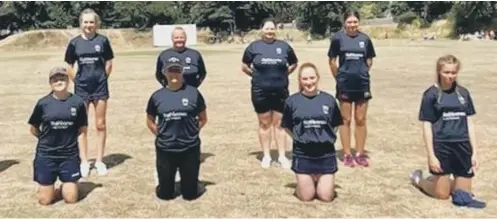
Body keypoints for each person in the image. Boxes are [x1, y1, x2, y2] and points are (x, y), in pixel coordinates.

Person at [410, 55, 486, 208]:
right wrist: (431, 156)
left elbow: (469, 121)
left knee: (462, 195)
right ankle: (419, 179)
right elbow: (427, 125)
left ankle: (440, 179)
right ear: (439, 72)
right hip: (442, 146)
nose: (450, 76)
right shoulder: (431, 94)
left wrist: (475, 153)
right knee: (442, 195)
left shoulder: (463, 93)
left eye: (453, 73)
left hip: (462, 146)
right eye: (446, 72)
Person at [146, 56, 208, 201]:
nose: (174, 74)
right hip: (166, 148)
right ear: (164, 73)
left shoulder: (193, 93)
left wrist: (192, 132)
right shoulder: (157, 96)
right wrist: (160, 134)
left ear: (182, 72)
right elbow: (150, 120)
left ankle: (191, 182)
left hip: (189, 148)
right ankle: (162, 181)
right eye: (170, 70)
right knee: (165, 195)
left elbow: (203, 118)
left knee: (190, 196)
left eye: (177, 70)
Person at [241, 18, 298, 169]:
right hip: (260, 91)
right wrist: (255, 75)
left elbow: (294, 63)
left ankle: (282, 156)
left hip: (280, 91)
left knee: (280, 124)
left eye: (272, 29)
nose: (270, 31)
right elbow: (244, 65)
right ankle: (266, 155)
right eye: (267, 29)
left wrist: (285, 73)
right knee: (264, 123)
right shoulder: (254, 47)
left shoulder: (284, 46)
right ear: (262, 30)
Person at [281, 62, 343, 202]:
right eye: (305, 79)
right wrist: (298, 138)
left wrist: (326, 136)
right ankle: (304, 183)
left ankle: (320, 181)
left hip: (325, 154)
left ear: (317, 78)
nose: (309, 82)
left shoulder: (329, 100)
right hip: (303, 154)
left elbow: (336, 124)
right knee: (306, 197)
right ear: (300, 81)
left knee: (326, 197)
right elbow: (286, 126)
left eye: (312, 78)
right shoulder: (292, 101)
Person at [64, 8, 114, 177]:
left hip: (100, 88)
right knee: (81, 126)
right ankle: (84, 161)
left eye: (91, 22)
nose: (88, 25)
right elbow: (69, 66)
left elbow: (108, 63)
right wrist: (77, 82)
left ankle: (99, 161)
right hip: (82, 90)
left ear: (96, 24)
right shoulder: (74, 43)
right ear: (81, 24)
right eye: (85, 22)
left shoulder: (103, 40)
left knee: (100, 124)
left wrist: (101, 78)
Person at [28, 67, 88, 205]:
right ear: (50, 83)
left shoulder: (77, 103)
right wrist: (46, 140)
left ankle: (67, 185)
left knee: (71, 199)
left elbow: (82, 131)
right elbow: (33, 128)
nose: (59, 81)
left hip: (69, 155)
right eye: (55, 79)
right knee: (45, 201)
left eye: (62, 78)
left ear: (68, 81)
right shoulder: (43, 103)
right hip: (47, 155)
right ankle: (49, 188)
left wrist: (84, 160)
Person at [327, 11, 376, 167]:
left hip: (362, 84)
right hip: (345, 85)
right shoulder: (338, 39)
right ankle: (347, 154)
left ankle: (360, 154)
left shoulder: (365, 39)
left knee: (360, 120)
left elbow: (369, 60)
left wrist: (361, 73)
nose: (352, 25)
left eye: (355, 22)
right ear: (344, 23)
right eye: (349, 22)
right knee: (346, 120)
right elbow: (332, 61)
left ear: (358, 23)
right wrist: (340, 78)